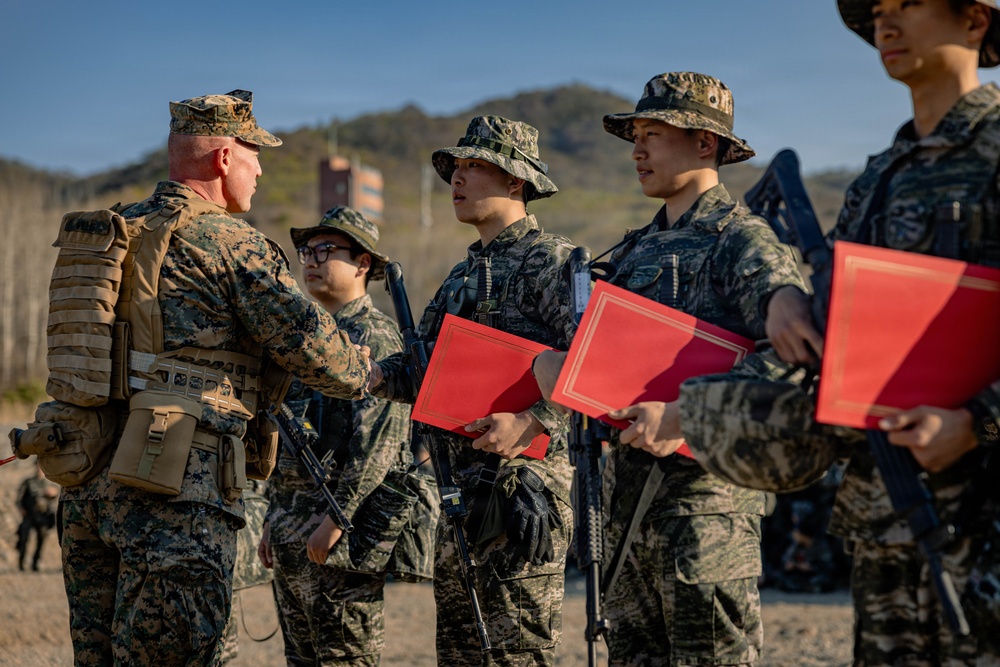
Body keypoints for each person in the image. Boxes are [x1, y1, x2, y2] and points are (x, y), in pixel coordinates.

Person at [678, 1, 1000, 664]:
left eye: (908, 4)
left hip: (985, 520)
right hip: (884, 513)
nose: (885, 25)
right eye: (878, 11)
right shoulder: (877, 178)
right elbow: (852, 319)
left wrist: (978, 422)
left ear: (974, 20)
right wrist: (790, 301)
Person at [58, 90, 370, 666]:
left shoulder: (117, 229)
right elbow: (328, 360)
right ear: (225, 158)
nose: (261, 172)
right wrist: (364, 365)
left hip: (89, 483)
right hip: (176, 488)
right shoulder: (232, 244)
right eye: (256, 156)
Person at [532, 72, 809, 666]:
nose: (637, 151)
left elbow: (792, 359)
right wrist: (564, 371)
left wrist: (684, 415)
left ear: (705, 143)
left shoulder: (744, 241)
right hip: (624, 511)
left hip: (706, 512)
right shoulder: (632, 250)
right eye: (634, 137)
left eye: (652, 135)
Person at [368, 115, 576, 666]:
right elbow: (423, 369)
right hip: (459, 492)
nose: (456, 179)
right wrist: (372, 374)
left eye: (473, 167)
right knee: (460, 654)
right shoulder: (460, 276)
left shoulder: (551, 260)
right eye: (455, 167)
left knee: (515, 653)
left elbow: (594, 364)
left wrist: (533, 421)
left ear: (515, 180)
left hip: (522, 493)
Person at [256, 205, 413, 666]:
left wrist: (337, 520)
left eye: (325, 250)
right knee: (300, 658)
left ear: (363, 263)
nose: (310, 259)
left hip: (338, 536)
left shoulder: (374, 336)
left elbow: (378, 445)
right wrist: (273, 516)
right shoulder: (312, 336)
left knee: (345, 657)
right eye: (306, 251)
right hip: (292, 525)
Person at [15, 463, 58, 572]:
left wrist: (53, 493)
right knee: (24, 538)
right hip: (29, 515)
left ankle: (35, 563)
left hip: (43, 516)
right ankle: (21, 563)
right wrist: (21, 509)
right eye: (38, 467)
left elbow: (55, 496)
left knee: (41, 540)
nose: (39, 469)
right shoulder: (29, 482)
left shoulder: (49, 482)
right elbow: (19, 498)